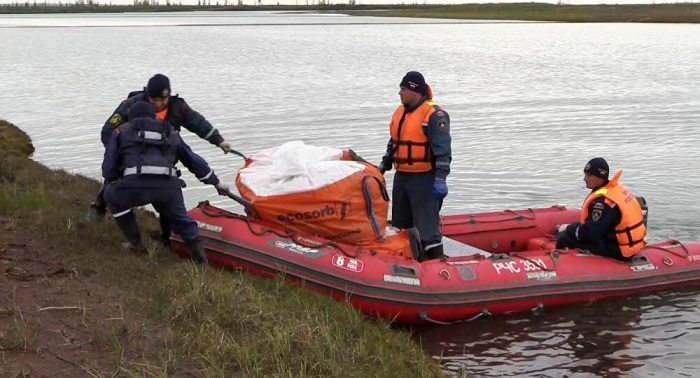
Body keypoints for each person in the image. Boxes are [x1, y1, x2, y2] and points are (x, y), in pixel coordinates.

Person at [88, 73, 234, 222]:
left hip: (163, 159)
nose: (158, 104)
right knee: (113, 178)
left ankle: (167, 235)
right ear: (147, 95)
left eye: (162, 100)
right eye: (154, 100)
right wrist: (118, 153)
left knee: (168, 193)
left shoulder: (178, 107)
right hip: (132, 157)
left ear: (169, 97)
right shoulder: (130, 106)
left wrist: (219, 141)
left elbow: (198, 124)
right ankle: (98, 207)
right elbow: (107, 131)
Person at [102, 101, 230, 264]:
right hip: (168, 189)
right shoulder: (170, 131)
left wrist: (117, 179)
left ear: (131, 117)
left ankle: (137, 245)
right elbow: (192, 160)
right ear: (153, 116)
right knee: (183, 221)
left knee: (112, 196)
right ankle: (201, 262)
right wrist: (216, 182)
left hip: (133, 187)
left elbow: (108, 169)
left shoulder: (121, 131)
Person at [378, 71, 452, 261]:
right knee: (400, 224)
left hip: (424, 178)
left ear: (414, 90)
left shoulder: (434, 115)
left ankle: (435, 265)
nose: (399, 93)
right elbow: (395, 142)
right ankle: (405, 263)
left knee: (426, 227)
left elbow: (443, 151)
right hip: (402, 177)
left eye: (403, 89)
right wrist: (383, 166)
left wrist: (440, 179)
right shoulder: (400, 112)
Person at [555, 158, 646, 260]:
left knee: (564, 237)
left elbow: (590, 235)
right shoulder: (616, 190)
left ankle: (564, 267)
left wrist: (568, 228)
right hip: (631, 245)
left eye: (589, 175)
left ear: (600, 177)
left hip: (617, 249)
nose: (584, 178)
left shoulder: (603, 203)